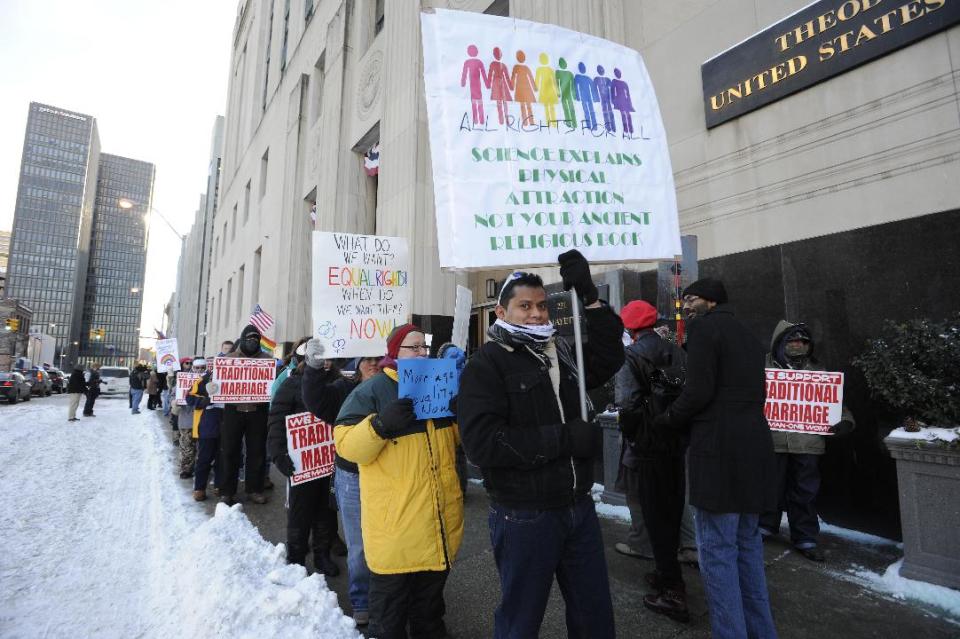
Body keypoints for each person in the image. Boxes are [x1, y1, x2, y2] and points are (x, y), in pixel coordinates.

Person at [458, 250, 625, 639]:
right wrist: (567, 438)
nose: (536, 314)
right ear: (501, 312)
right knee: (521, 621)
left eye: (542, 306)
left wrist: (590, 296)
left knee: (594, 615)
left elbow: (610, 354)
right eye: (524, 306)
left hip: (577, 508)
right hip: (525, 516)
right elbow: (483, 445)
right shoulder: (486, 365)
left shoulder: (561, 352)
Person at [654, 278, 778, 639]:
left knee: (718, 554)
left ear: (710, 302)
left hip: (718, 453)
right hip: (754, 448)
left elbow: (698, 392)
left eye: (690, 300)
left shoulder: (705, 329)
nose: (686, 307)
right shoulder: (747, 332)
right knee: (748, 548)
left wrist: (667, 419)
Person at [335, 324, 463, 639]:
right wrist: (379, 425)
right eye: (413, 347)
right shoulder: (372, 390)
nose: (422, 353)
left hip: (437, 527)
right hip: (397, 531)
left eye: (424, 347)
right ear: (395, 353)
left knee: (429, 614)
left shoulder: (441, 385)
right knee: (388, 621)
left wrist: (466, 405)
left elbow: (460, 441)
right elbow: (347, 446)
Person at [615, 300, 694, 622]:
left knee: (654, 512)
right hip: (678, 441)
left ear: (630, 327)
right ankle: (665, 571)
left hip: (649, 445)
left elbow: (627, 404)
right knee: (672, 509)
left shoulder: (631, 355)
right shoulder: (677, 351)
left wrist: (633, 435)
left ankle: (672, 590)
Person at [759, 321, 855, 562]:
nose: (798, 345)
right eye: (792, 341)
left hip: (808, 443)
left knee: (805, 491)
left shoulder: (818, 369)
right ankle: (765, 524)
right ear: (781, 342)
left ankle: (805, 536)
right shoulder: (763, 367)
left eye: (803, 341)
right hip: (773, 439)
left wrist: (844, 421)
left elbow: (834, 402)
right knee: (769, 485)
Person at [304, 352, 380, 626]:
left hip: (390, 475)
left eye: (379, 357)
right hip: (353, 476)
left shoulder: (395, 386)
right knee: (359, 544)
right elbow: (316, 401)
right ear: (357, 364)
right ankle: (362, 600)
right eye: (367, 358)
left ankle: (389, 596)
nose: (373, 363)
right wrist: (313, 367)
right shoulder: (343, 389)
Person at [268, 338, 341, 576]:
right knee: (300, 512)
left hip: (329, 464)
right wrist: (278, 453)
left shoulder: (339, 384)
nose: (325, 361)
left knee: (327, 512)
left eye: (328, 356)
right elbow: (277, 421)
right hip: (301, 465)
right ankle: (296, 557)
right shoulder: (291, 385)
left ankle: (322, 555)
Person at [210, 325, 272, 506]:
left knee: (257, 452)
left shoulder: (266, 360)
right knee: (229, 451)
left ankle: (254, 489)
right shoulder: (229, 359)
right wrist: (212, 388)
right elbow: (215, 382)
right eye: (249, 338)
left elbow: (272, 386)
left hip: (257, 411)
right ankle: (226, 491)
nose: (252, 342)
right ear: (243, 339)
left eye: (256, 339)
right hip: (233, 411)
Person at [187, 359, 223, 501]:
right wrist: (205, 400)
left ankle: (220, 486)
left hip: (228, 425)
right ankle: (199, 488)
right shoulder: (203, 379)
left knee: (224, 458)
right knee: (204, 458)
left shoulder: (235, 378)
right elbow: (189, 397)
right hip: (207, 425)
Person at [177, 359, 205, 480]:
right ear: (193, 368)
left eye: (202, 368)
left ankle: (201, 469)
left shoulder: (208, 380)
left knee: (202, 447)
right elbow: (175, 393)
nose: (199, 370)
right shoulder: (183, 379)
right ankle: (186, 469)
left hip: (203, 420)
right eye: (197, 368)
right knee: (187, 446)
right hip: (187, 418)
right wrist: (174, 401)